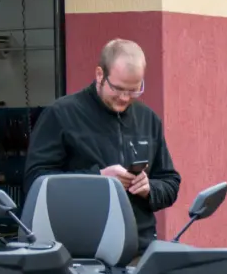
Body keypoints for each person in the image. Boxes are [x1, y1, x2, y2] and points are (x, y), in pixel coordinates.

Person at [24, 38, 180, 253]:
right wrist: (98, 180)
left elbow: (170, 182)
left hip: (137, 250)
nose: (125, 98)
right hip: (79, 251)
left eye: (134, 90)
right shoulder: (61, 115)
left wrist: (149, 188)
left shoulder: (148, 119)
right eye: (118, 88)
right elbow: (36, 183)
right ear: (100, 75)